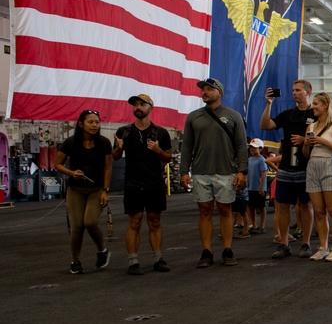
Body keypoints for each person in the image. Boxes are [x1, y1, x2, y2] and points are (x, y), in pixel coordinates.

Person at [179, 79, 248, 268]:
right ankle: (207, 251)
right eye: (203, 89)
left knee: (226, 210)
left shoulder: (233, 116)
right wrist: (184, 171)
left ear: (220, 93)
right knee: (204, 211)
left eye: (210, 89)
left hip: (226, 172)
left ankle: (227, 249)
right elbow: (187, 146)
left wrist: (242, 171)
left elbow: (241, 145)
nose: (205, 92)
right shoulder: (193, 117)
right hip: (201, 172)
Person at [112, 94, 172, 275]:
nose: (137, 107)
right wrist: (119, 148)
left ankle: (158, 258)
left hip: (154, 182)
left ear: (150, 107)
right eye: (135, 104)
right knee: (134, 221)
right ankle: (133, 261)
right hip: (133, 183)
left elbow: (168, 157)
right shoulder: (124, 131)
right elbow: (114, 157)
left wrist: (158, 150)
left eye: (141, 104)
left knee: (154, 221)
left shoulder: (161, 133)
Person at [261, 80, 315, 259]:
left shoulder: (315, 114)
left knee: (306, 205)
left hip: (306, 167)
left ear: (308, 92)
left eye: (298, 90)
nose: (294, 93)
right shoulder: (288, 114)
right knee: (282, 206)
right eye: (293, 90)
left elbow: (323, 136)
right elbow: (265, 125)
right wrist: (268, 104)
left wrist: (305, 140)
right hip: (285, 168)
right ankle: (284, 243)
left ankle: (306, 243)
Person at [55, 110, 113, 274]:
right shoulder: (70, 143)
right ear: (81, 124)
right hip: (76, 190)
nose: (95, 125)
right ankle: (75, 261)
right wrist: (70, 173)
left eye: (97, 122)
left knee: (90, 222)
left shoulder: (103, 143)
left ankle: (102, 250)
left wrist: (105, 190)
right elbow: (57, 164)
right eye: (91, 122)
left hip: (96, 189)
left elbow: (107, 167)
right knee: (77, 226)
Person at [303, 92, 332, 261]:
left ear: (325, 106)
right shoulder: (310, 127)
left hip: (330, 165)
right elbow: (306, 154)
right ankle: (323, 247)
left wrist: (323, 141)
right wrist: (306, 145)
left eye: (316, 104)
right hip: (313, 166)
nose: (313, 106)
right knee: (319, 212)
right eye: (313, 103)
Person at [247, 139, 268, 234]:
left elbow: (264, 174)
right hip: (251, 187)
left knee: (261, 207)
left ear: (260, 149)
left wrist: (261, 187)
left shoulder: (262, 160)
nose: (252, 149)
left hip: (259, 188)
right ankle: (254, 224)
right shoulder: (249, 160)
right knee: (251, 207)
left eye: (254, 148)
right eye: (251, 147)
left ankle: (262, 225)